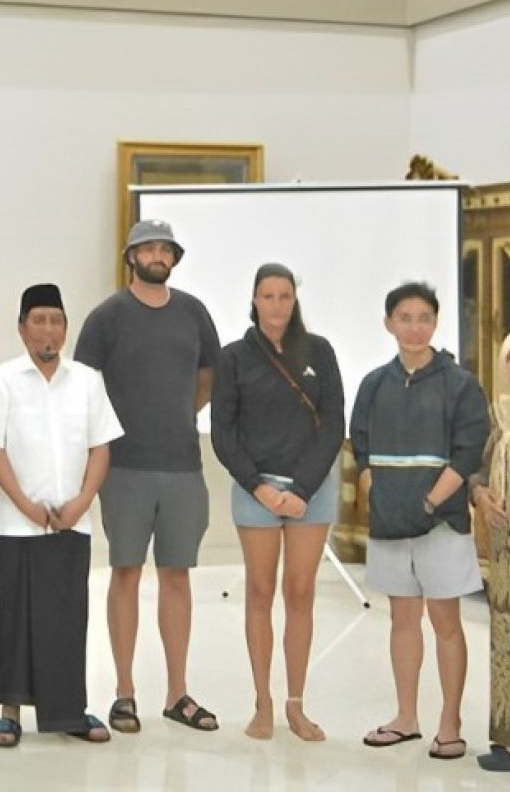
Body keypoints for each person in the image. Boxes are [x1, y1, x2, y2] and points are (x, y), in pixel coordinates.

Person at [75, 219, 222, 734]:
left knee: (177, 575)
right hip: (124, 467)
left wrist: (184, 413)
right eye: (148, 247)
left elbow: (208, 374)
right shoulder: (107, 317)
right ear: (131, 255)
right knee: (127, 573)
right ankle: (124, 692)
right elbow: (84, 389)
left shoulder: (193, 313)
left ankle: (177, 693)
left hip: (182, 464)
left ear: (174, 258)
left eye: (165, 248)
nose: (157, 255)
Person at [0, 283, 121, 747]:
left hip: (71, 521)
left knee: (67, 617)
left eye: (56, 320)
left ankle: (68, 711)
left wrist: (80, 502)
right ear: (22, 328)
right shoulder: (2, 379)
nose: (47, 329)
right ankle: (10, 712)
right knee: (14, 616)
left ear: (65, 328)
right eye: (37, 320)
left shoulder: (87, 380)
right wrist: (24, 503)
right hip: (19, 522)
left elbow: (101, 447)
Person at [351, 281, 488, 761]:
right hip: (390, 525)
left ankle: (449, 724)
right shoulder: (373, 384)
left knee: (445, 621)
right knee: (401, 619)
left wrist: (429, 503)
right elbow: (361, 446)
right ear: (388, 323)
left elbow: (468, 450)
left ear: (436, 323)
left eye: (423, 317)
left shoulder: (459, 384)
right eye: (404, 317)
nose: (414, 326)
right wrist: (375, 488)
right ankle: (406, 718)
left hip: (441, 525)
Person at [211, 263, 344, 741]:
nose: (276, 304)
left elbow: (333, 426)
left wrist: (302, 491)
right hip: (256, 490)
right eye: (267, 296)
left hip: (312, 490)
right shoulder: (233, 358)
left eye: (284, 295)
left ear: (295, 300)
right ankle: (262, 702)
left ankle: (295, 705)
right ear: (254, 300)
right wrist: (261, 488)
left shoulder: (320, 352)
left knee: (301, 592)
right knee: (261, 592)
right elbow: (224, 434)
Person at [468, 326, 510, 772]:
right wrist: (482, 497)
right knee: (506, 644)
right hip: (507, 556)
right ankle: (509, 741)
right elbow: (479, 474)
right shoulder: (501, 417)